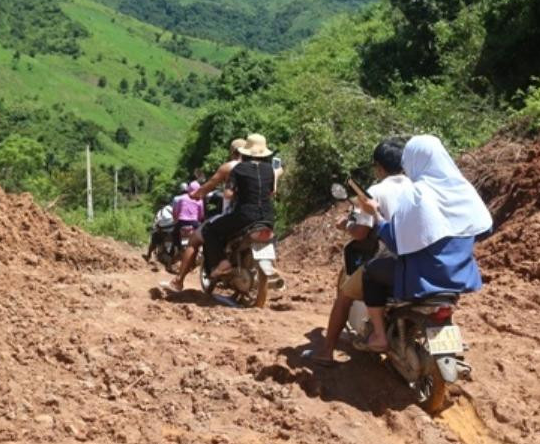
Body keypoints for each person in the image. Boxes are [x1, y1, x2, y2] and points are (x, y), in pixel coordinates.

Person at [358, 135, 492, 352]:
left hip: (422, 278)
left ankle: (379, 336)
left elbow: (395, 241)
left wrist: (376, 215)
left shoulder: (417, 193)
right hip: (459, 276)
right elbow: (483, 228)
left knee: (370, 272)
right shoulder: (463, 189)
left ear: (412, 161)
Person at [302, 138, 408, 365]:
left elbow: (361, 233)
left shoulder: (375, 192)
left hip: (387, 258)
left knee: (344, 297)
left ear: (379, 167)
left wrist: (346, 226)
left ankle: (326, 351)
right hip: (417, 258)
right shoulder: (418, 186)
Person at [168, 133, 276, 291]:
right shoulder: (270, 170)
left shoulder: (236, 168)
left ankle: (219, 264)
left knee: (209, 230)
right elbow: (271, 193)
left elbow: (227, 194)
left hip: (244, 216)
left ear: (237, 152)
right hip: (268, 217)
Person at [144, 183, 187, 262]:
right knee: (176, 240)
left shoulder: (166, 207)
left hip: (164, 228)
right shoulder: (189, 199)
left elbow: (156, 222)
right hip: (177, 227)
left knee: (155, 237)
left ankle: (148, 255)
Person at [171, 179, 205, 248]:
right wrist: (198, 219)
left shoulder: (182, 198)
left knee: (174, 234)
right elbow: (201, 214)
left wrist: (176, 220)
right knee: (201, 235)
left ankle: (177, 249)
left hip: (181, 222)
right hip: (194, 223)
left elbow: (177, 211)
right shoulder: (200, 200)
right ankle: (200, 250)